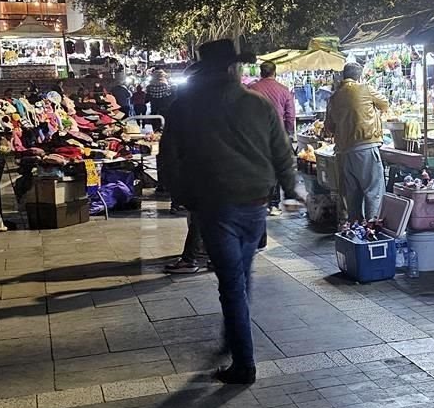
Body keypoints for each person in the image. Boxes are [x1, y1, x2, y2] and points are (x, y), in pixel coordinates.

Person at [160, 39, 305, 384]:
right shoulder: (258, 105)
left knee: (232, 283)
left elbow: (167, 160)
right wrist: (292, 189)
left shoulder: (185, 107)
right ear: (231, 68)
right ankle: (235, 337)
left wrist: (185, 196)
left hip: (216, 207)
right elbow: (282, 154)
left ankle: (244, 362)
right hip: (255, 206)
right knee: (240, 276)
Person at [326, 62, 389, 220]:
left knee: (352, 196)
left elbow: (329, 126)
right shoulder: (366, 89)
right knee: (373, 191)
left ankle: (356, 232)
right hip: (366, 146)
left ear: (343, 76)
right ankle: (372, 230)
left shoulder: (334, 97)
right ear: (359, 76)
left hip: (344, 152)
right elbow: (385, 104)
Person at [248, 61, 297, 215]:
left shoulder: (251, 90)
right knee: (277, 169)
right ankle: (274, 204)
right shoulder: (283, 90)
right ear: (274, 72)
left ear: (261, 72)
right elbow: (290, 116)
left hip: (256, 136)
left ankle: (263, 200)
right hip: (278, 135)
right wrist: (288, 133)